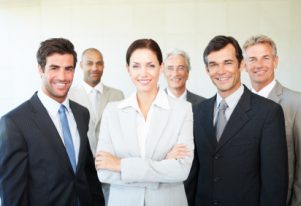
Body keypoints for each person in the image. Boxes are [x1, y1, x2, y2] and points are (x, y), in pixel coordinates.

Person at [185, 35, 288, 206]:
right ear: (207, 70)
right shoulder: (197, 112)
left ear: (241, 65)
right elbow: (192, 175)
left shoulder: (269, 113)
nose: (221, 70)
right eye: (213, 65)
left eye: (228, 62)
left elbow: (274, 183)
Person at [0, 38, 104, 206]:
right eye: (54, 68)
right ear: (40, 70)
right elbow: (13, 196)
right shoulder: (14, 123)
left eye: (68, 69)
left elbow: (88, 174)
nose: (62, 77)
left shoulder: (81, 114)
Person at [95, 39, 194, 206]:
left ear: (161, 67)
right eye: (136, 66)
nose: (143, 73)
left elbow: (181, 171)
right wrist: (162, 166)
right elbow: (104, 173)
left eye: (150, 65)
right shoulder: (112, 112)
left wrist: (120, 165)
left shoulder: (182, 109)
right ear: (128, 69)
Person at [243, 35, 301, 206]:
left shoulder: (296, 103)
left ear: (275, 61)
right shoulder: (238, 104)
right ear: (244, 65)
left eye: (265, 58)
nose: (259, 65)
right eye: (252, 59)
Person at [69, 48, 124, 156]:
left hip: (110, 160)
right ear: (81, 65)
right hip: (80, 162)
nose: (95, 68)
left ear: (103, 65)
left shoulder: (118, 95)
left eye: (98, 63)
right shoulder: (69, 95)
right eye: (89, 63)